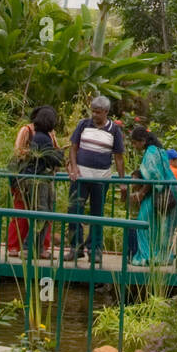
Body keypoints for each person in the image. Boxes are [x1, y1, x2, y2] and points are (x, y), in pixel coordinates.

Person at [66, 95, 125, 266]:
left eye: (98, 112)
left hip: (101, 178)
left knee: (97, 213)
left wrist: (122, 182)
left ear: (106, 112)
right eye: (93, 111)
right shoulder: (83, 124)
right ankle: (75, 249)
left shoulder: (114, 130)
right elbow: (73, 148)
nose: (94, 115)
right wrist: (74, 166)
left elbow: (119, 157)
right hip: (81, 176)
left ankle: (95, 250)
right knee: (75, 210)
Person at [8, 107, 59, 257]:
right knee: (38, 213)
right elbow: (51, 157)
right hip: (34, 179)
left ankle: (36, 247)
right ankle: (27, 247)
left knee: (40, 213)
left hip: (37, 178)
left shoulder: (44, 136)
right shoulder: (39, 136)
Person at [130, 126, 177, 266]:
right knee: (160, 224)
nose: (134, 146)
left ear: (143, 141)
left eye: (135, 143)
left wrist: (141, 193)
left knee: (143, 221)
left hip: (159, 191)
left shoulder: (151, 152)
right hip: (169, 189)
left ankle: (147, 256)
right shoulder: (159, 150)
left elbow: (153, 176)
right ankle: (160, 255)